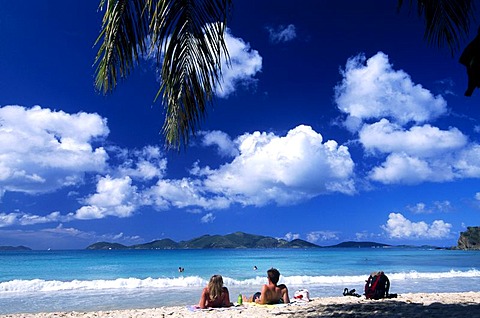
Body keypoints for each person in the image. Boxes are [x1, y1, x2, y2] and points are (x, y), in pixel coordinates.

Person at [459, 26, 480, 96]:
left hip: (473, 64)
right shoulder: (475, 43)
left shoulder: (475, 42)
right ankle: (472, 86)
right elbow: (464, 58)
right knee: (472, 76)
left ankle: (472, 86)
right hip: (473, 64)